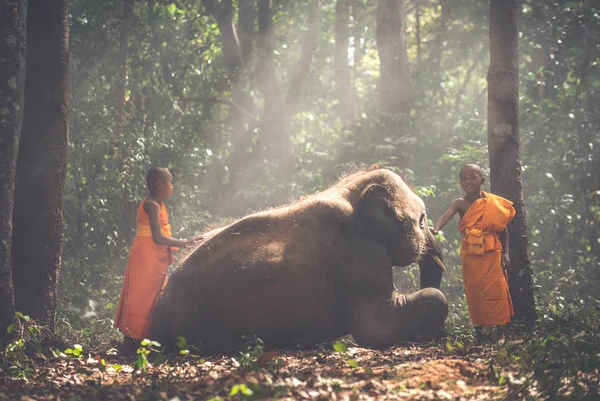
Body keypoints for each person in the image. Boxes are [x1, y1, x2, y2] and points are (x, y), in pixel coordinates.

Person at [432, 164, 515, 344]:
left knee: (496, 289)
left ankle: (501, 332)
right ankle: (479, 331)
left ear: (482, 180)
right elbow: (446, 216)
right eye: (463, 178)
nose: (468, 181)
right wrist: (436, 228)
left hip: (492, 252)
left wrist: (506, 253)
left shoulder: (492, 202)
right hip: (471, 253)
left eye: (473, 177)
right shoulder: (459, 203)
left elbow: (503, 229)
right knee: (475, 290)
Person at [114, 167, 189, 355]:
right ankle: (132, 340)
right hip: (146, 254)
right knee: (142, 295)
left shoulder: (158, 204)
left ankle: (144, 340)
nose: (172, 186)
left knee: (153, 294)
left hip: (153, 254)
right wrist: (184, 243)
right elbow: (158, 237)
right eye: (170, 182)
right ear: (158, 184)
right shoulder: (152, 205)